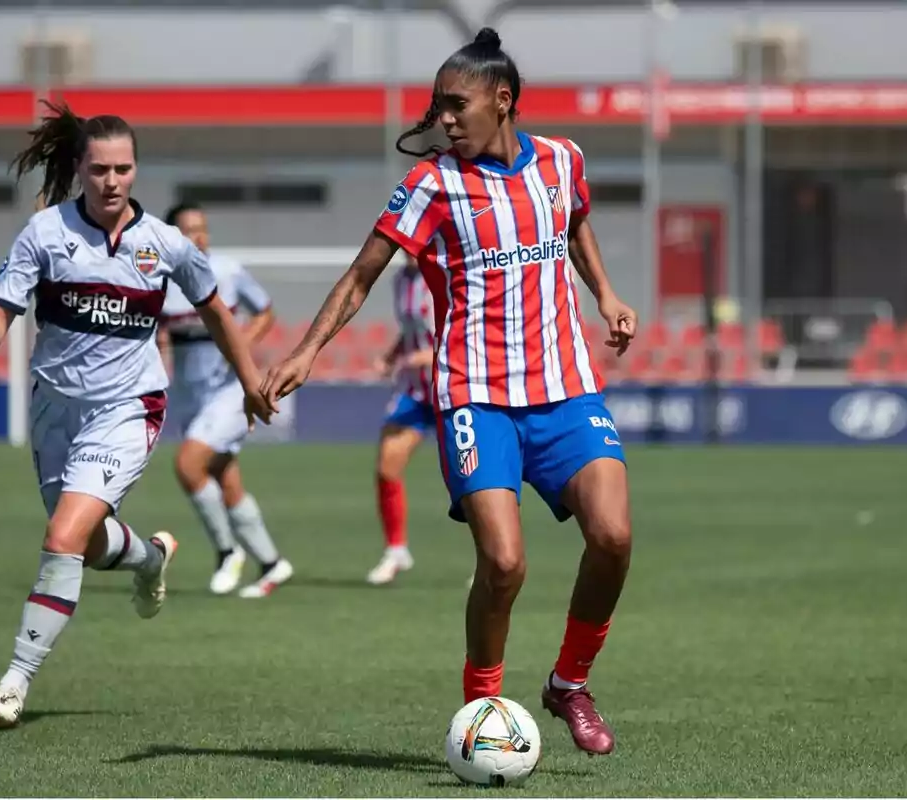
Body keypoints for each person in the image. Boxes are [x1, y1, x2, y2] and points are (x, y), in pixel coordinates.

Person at [260, 29, 637, 757]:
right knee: (503, 565)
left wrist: (607, 295)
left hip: (565, 391)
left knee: (615, 539)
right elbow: (363, 273)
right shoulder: (433, 184)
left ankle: (568, 684)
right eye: (438, 108)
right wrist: (307, 349)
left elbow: (577, 223)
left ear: (503, 100)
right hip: (475, 397)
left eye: (456, 105)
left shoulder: (563, 161)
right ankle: (481, 710)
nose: (445, 119)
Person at [0, 101, 273, 727]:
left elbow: (217, 312)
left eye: (123, 169)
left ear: (136, 171)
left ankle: (14, 684)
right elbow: (2, 307)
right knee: (84, 542)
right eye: (100, 168)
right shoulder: (45, 233)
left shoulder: (164, 245)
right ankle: (150, 557)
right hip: (55, 406)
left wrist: (251, 382)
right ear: (79, 168)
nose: (111, 181)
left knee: (61, 539)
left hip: (128, 408)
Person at [157, 201, 293, 598]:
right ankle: (271, 563)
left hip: (233, 390)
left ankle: (226, 551)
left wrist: (238, 345)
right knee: (225, 479)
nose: (199, 236)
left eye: (203, 228)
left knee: (187, 465)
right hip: (192, 395)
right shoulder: (161, 280)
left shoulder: (228, 270)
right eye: (188, 230)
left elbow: (265, 312)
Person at [366, 256, 435, 585]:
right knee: (387, 466)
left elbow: (462, 334)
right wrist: (392, 356)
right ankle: (396, 550)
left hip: (453, 387)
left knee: (472, 481)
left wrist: (421, 357)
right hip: (415, 390)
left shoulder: (445, 274)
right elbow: (410, 332)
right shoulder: (401, 280)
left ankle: (489, 557)